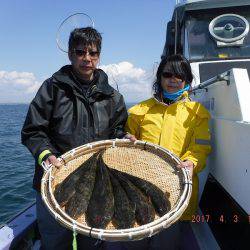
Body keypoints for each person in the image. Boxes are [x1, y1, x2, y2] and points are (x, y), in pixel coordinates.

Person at [21, 27, 128, 250]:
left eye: (93, 53)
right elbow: (32, 131)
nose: (87, 59)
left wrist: (125, 137)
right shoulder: (52, 89)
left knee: (92, 237)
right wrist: (46, 154)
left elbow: (117, 131)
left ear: (99, 56)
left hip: (96, 184)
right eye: (80, 52)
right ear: (70, 54)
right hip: (55, 180)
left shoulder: (113, 96)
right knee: (55, 240)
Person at [125, 54, 211, 249]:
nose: (173, 79)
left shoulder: (197, 113)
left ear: (187, 80)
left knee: (166, 243)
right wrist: (128, 140)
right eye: (167, 74)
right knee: (135, 241)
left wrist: (191, 162)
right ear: (160, 78)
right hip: (140, 190)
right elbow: (126, 143)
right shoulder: (140, 111)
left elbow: (201, 147)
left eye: (179, 76)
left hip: (177, 192)